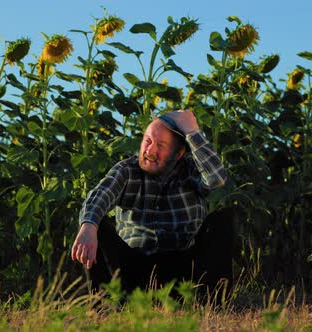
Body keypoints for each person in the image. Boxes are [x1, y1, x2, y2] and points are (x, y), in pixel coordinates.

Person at [71, 109, 232, 294]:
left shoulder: (190, 169)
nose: (150, 150)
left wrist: (192, 132)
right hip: (133, 270)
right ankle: (106, 307)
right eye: (147, 141)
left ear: (178, 154)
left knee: (223, 219)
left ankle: (211, 302)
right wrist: (89, 226)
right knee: (94, 226)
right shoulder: (127, 170)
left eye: (161, 145)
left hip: (183, 271)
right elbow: (101, 194)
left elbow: (216, 178)